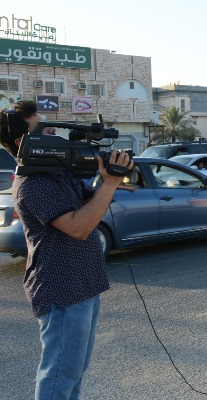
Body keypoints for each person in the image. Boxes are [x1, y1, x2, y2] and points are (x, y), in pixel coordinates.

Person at [0, 100, 132, 399]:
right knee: (59, 374)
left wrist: (108, 174)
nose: (54, 133)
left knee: (74, 371)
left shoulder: (56, 173)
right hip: (62, 289)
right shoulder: (33, 183)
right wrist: (110, 184)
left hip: (83, 284)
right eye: (46, 129)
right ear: (23, 141)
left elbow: (91, 204)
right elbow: (78, 227)